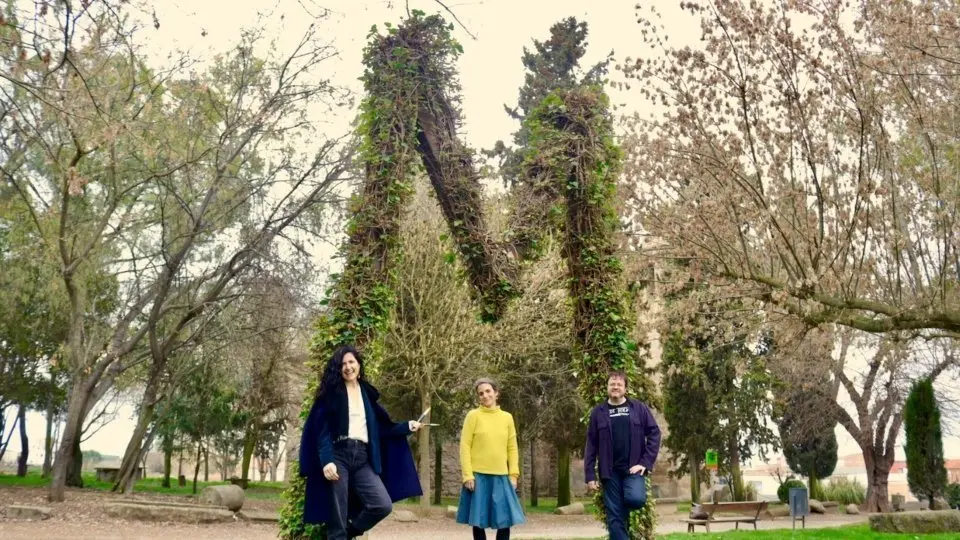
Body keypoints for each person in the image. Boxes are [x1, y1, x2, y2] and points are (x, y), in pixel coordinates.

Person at [299, 345, 423, 540]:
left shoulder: (367, 393)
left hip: (363, 458)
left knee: (382, 504)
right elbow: (322, 431)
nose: (348, 367)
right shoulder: (332, 394)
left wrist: (407, 426)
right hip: (339, 455)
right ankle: (338, 535)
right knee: (337, 514)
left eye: (351, 362)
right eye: (343, 364)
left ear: (358, 364)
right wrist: (327, 461)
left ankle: (348, 534)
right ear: (338, 369)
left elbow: (382, 428)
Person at [584, 370, 661, 540]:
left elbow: (654, 433)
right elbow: (591, 445)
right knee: (615, 518)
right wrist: (590, 475)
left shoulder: (639, 408)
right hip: (609, 473)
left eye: (619, 384)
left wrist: (645, 463)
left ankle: (621, 512)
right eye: (612, 384)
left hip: (633, 469)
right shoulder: (598, 412)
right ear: (607, 387)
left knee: (635, 499)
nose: (615, 387)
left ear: (625, 388)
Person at [457, 377, 526, 540]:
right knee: (478, 521)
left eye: (488, 391)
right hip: (478, 476)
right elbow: (465, 446)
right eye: (480, 393)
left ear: (496, 393)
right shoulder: (473, 416)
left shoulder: (507, 418)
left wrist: (513, 475)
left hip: (501, 476)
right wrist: (467, 475)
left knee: (504, 520)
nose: (484, 395)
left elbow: (512, 448)